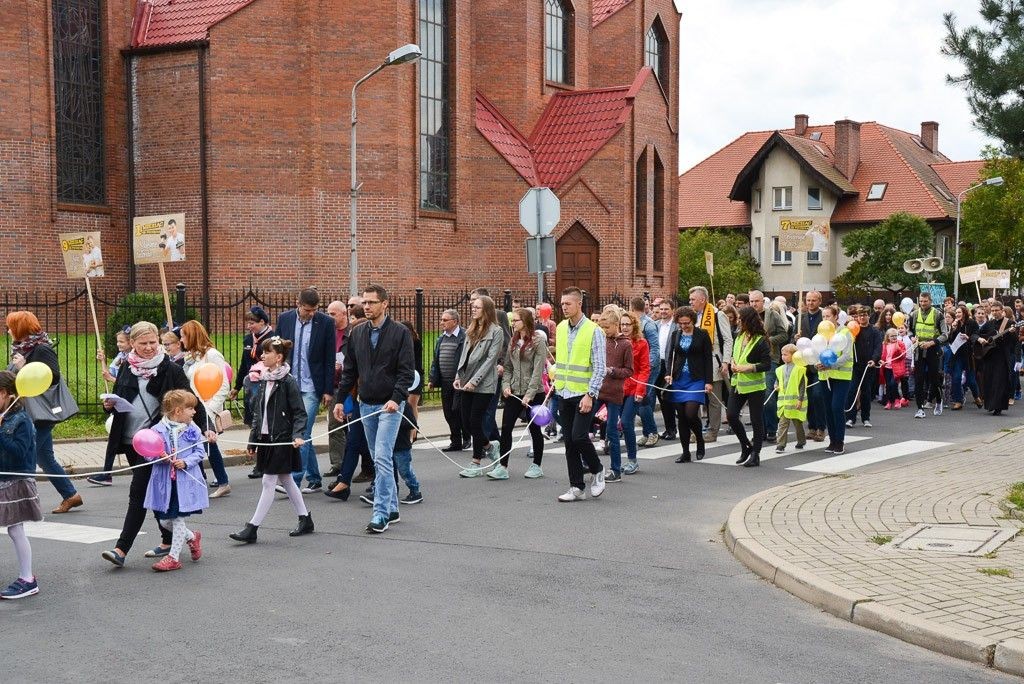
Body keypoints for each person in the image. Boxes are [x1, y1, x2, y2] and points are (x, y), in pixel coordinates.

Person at [100, 321, 212, 568]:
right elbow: (119, 396)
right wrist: (109, 405)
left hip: (159, 445)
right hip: (131, 441)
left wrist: (206, 428)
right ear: (132, 343)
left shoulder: (170, 369)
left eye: (153, 342)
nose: (149, 347)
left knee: (138, 494)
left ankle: (121, 549)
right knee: (158, 493)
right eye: (143, 343)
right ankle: (171, 539)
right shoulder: (127, 367)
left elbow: (191, 400)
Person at [334, 284, 415, 534]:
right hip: (365, 403)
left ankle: (380, 513)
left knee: (381, 457)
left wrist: (396, 398)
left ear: (385, 304)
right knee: (378, 457)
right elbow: (350, 372)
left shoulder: (400, 333)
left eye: (372, 302)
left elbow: (406, 372)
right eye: (365, 302)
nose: (366, 306)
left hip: (390, 405)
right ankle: (392, 507)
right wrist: (340, 400)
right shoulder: (357, 333)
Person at [229, 336, 313, 543]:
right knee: (286, 479)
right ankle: (305, 519)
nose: (262, 355)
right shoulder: (265, 379)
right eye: (263, 352)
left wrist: (298, 435)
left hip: (281, 438)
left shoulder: (288, 382)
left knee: (268, 481)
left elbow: (300, 412)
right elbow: (258, 414)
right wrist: (253, 439)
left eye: (267, 352)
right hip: (266, 438)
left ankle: (252, 528)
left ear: (279, 357)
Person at [5, 311, 83, 514]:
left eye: (11, 327)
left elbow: (53, 377)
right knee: (44, 457)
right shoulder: (23, 348)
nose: (8, 331)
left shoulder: (41, 349)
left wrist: (25, 367)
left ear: (20, 328)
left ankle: (24, 503)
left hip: (41, 414)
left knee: (25, 457)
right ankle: (71, 495)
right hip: (30, 412)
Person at [275, 287, 336, 493]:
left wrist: (327, 390)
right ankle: (314, 478)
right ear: (298, 304)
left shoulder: (325, 323)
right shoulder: (285, 319)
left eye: (314, 310)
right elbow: (277, 350)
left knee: (301, 432)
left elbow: (329, 358)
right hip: (289, 384)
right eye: (307, 310)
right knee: (302, 434)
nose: (311, 314)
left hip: (311, 387)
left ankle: (293, 480)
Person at [143, 390, 208, 571]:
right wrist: (159, 457)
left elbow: (200, 452)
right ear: (178, 411)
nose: (194, 412)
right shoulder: (156, 431)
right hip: (165, 483)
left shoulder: (193, 429)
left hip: (183, 483)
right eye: (190, 408)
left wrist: (186, 462)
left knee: (177, 518)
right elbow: (148, 454)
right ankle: (192, 537)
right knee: (164, 521)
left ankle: (173, 557)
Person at [553, 287, 607, 502]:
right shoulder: (560, 328)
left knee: (579, 436)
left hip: (584, 393)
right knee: (569, 442)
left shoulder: (594, 331)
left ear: (579, 304)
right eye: (562, 304)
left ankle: (597, 469)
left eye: (568, 303)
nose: (564, 307)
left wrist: (590, 394)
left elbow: (600, 367)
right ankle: (576, 486)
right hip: (563, 391)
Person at [0, 370, 42, 599]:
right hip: (3, 478)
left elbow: (18, 452)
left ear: (5, 393)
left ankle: (27, 579)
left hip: (15, 481)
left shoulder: (22, 420)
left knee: (15, 529)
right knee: (14, 530)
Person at [179, 320, 232, 499]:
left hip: (206, 407)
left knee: (208, 443)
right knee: (198, 444)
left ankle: (222, 482)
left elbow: (223, 384)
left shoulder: (213, 355)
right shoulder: (192, 357)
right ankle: (203, 480)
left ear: (192, 336)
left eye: (183, 336)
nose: (181, 340)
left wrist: (210, 409)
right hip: (194, 408)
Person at [454, 295, 504, 477]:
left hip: (484, 384)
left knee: (476, 420)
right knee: (466, 423)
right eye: (473, 307)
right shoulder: (471, 329)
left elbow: (491, 360)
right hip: (466, 380)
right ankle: (490, 446)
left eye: (477, 307)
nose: (473, 309)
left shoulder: (496, 331)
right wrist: (458, 376)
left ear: (487, 310)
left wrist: (474, 381)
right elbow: (464, 356)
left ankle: (476, 462)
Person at [495, 308, 546, 480]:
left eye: (516, 320)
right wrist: (506, 386)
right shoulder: (513, 341)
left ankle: (537, 465)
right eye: (513, 320)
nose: (513, 323)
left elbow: (538, 371)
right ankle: (503, 466)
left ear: (525, 321)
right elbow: (508, 367)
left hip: (534, 392)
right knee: (506, 427)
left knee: (534, 429)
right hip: (515, 391)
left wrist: (530, 394)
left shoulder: (538, 341)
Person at [664, 306, 713, 464]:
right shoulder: (676, 334)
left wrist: (709, 381)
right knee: (682, 417)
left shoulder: (702, 334)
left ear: (693, 320)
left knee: (691, 414)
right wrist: (668, 373)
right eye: (681, 323)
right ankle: (685, 452)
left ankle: (699, 439)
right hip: (679, 379)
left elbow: (708, 359)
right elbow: (670, 356)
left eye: (687, 323)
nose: (684, 326)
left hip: (696, 379)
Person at [688, 286, 733, 442]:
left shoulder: (717, 314)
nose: (690, 302)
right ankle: (696, 430)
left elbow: (728, 339)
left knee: (714, 399)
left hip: (714, 361)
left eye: (693, 299)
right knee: (694, 397)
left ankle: (713, 431)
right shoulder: (692, 316)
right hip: (695, 362)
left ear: (703, 299)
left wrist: (726, 361)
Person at [727, 307, 770, 467]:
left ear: (749, 321)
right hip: (738, 383)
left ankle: (756, 454)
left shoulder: (761, 340)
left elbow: (766, 364)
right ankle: (746, 445)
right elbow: (735, 354)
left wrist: (748, 368)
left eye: (741, 319)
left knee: (756, 419)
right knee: (731, 415)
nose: (738, 321)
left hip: (755, 386)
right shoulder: (739, 336)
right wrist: (732, 363)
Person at [596, 307, 633, 480]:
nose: (604, 331)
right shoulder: (601, 340)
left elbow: (629, 370)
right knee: (584, 424)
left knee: (611, 430)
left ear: (616, 324)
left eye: (607, 327)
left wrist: (612, 371)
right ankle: (587, 463)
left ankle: (615, 469)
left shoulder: (626, 344)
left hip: (614, 393)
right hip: (598, 390)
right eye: (602, 328)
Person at [749, 290, 788, 445]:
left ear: (762, 301)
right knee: (755, 397)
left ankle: (772, 428)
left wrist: (768, 340)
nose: (754, 304)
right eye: (751, 301)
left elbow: (784, 334)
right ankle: (760, 431)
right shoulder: (748, 316)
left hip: (770, 358)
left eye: (756, 301)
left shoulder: (772, 315)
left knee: (768, 395)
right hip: (752, 360)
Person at [427, 309, 468, 452]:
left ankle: (467, 437)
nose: (441, 322)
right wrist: (432, 379)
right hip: (445, 381)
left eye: (445, 320)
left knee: (458, 410)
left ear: (455, 321)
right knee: (448, 413)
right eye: (441, 319)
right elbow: (435, 360)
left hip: (460, 380)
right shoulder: (441, 338)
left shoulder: (464, 337)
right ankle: (455, 441)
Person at [818, 305, 854, 455]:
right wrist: (817, 364)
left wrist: (831, 365)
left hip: (841, 376)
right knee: (827, 408)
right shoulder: (821, 332)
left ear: (836, 317)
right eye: (823, 316)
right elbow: (816, 351)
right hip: (825, 376)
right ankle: (832, 440)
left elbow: (846, 355)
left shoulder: (845, 332)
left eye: (828, 316)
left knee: (836, 407)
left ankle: (840, 441)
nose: (825, 319)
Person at [909, 291, 949, 418]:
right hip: (918, 349)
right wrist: (912, 338)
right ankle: (920, 408)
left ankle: (938, 401)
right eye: (921, 301)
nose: (923, 303)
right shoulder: (914, 314)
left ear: (930, 301)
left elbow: (945, 335)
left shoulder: (938, 314)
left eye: (925, 301)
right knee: (919, 379)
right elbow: (909, 330)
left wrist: (932, 343)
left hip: (933, 349)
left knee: (934, 378)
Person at [619, 311, 650, 475]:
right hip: (619, 389)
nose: (624, 327)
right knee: (619, 425)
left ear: (634, 326)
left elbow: (645, 369)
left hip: (634, 387)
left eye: (627, 324)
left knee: (626, 422)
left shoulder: (642, 343)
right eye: (622, 324)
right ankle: (619, 461)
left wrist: (640, 391)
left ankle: (632, 459)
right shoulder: (617, 341)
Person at [629, 297, 661, 447]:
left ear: (632, 308)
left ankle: (652, 432)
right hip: (637, 369)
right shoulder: (636, 323)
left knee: (642, 400)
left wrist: (648, 366)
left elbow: (655, 347)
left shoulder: (648, 324)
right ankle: (647, 432)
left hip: (647, 368)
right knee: (640, 401)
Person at [323, 301, 349, 479]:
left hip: (350, 385)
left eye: (333, 314)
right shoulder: (328, 333)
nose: (330, 317)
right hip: (333, 385)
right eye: (328, 313)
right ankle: (338, 463)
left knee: (352, 426)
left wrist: (343, 366)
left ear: (344, 314)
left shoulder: (352, 333)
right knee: (334, 425)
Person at [796, 291, 827, 442]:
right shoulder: (800, 318)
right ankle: (812, 427)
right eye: (808, 300)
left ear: (819, 301)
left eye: (813, 300)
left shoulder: (824, 317)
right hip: (804, 362)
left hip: (819, 362)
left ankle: (821, 427)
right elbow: (793, 340)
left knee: (817, 395)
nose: (810, 303)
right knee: (807, 396)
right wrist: (795, 337)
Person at [845, 306, 881, 428]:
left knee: (866, 392)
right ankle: (850, 418)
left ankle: (866, 418)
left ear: (868, 316)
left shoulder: (874, 331)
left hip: (868, 366)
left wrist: (874, 359)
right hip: (855, 366)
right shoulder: (853, 329)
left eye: (864, 315)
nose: (862, 317)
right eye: (860, 315)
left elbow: (878, 347)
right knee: (852, 391)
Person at [977, 304, 1016, 415]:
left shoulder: (1009, 323)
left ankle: (998, 407)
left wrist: (1012, 333)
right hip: (990, 355)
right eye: (993, 310)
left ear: (1002, 310)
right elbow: (979, 334)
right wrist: (980, 339)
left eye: (996, 310)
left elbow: (1014, 341)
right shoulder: (989, 323)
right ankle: (990, 405)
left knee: (1000, 381)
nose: (994, 312)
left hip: (1002, 356)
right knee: (989, 380)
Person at [774, 344, 807, 452]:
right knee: (782, 424)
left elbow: (802, 386)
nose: (783, 357)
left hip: (795, 402)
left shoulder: (799, 369)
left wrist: (800, 400)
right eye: (782, 354)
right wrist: (776, 385)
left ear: (794, 356)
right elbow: (778, 380)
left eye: (785, 355)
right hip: (784, 403)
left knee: (797, 423)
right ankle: (780, 445)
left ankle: (801, 441)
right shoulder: (779, 369)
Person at [947, 304, 980, 410]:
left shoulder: (972, 323)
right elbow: (950, 340)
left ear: (964, 313)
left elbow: (976, 336)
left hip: (968, 355)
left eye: (959, 312)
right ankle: (958, 401)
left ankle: (976, 397)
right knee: (956, 378)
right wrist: (953, 329)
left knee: (971, 380)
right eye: (956, 313)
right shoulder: (955, 324)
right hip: (957, 355)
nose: (957, 314)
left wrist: (968, 337)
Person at [654, 299, 678, 441]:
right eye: (661, 309)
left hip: (671, 364)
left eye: (666, 309)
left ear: (672, 310)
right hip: (658, 364)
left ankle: (672, 429)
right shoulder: (656, 325)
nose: (663, 311)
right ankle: (668, 428)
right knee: (660, 396)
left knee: (668, 397)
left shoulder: (676, 326)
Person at [400, 321, 423, 441]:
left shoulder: (415, 342)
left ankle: (413, 431)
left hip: (415, 376)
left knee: (412, 405)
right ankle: (410, 431)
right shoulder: (401, 342)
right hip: (406, 375)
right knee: (406, 405)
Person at [880, 328, 910, 410]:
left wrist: (898, 349)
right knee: (888, 385)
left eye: (895, 336)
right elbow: (883, 355)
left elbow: (903, 356)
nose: (894, 337)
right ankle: (889, 402)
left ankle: (896, 400)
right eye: (892, 336)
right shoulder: (885, 344)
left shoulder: (900, 343)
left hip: (896, 368)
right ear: (888, 337)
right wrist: (882, 361)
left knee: (893, 384)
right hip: (887, 367)